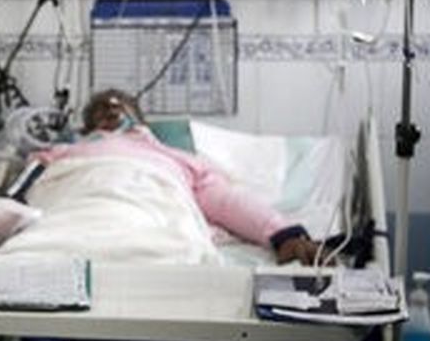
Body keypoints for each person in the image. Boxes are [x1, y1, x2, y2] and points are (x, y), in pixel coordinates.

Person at [32, 89, 323, 265]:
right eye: (101, 109)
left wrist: (284, 235)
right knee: (36, 248)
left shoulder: (177, 159)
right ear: (86, 128)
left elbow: (226, 202)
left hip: (150, 206)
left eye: (119, 106)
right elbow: (24, 196)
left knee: (168, 249)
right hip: (74, 205)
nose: (111, 108)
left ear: (140, 122)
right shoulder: (60, 154)